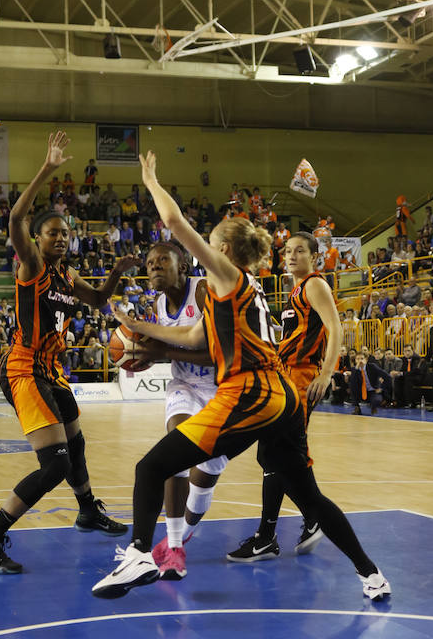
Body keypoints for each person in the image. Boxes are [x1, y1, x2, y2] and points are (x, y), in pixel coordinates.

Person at [91, 151, 390, 601]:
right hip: (282, 398)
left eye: (209, 243)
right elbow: (192, 336)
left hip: (248, 392)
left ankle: (138, 553)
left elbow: (173, 223)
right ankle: (371, 574)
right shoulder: (230, 292)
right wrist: (136, 327)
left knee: (150, 467)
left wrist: (150, 179)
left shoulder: (228, 275)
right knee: (308, 497)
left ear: (224, 250)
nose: (204, 250)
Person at [0, 132, 129, 576]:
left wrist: (115, 273)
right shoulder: (33, 267)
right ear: (37, 239)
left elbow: (98, 301)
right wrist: (47, 169)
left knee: (75, 444)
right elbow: (16, 217)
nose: (60, 237)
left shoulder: (66, 275)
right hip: (23, 366)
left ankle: (86, 511)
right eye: (52, 232)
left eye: (65, 233)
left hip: (52, 370)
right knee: (55, 463)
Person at [225, 231, 343, 563]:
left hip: (304, 377)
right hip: (287, 377)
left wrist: (326, 372)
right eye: (288, 251)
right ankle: (295, 522)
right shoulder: (296, 291)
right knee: (276, 456)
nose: (290, 256)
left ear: (315, 257)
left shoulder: (315, 285)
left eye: (300, 251)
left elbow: (336, 327)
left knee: (276, 454)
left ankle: (273, 533)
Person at [130, 242, 223, 581]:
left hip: (221, 391)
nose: (153, 266)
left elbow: (218, 353)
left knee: (203, 484)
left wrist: (163, 353)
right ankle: (174, 549)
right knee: (175, 450)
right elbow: (167, 349)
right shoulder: (158, 302)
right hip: (183, 386)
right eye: (149, 261)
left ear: (182, 266)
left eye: (162, 261)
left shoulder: (202, 292)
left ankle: (183, 533)